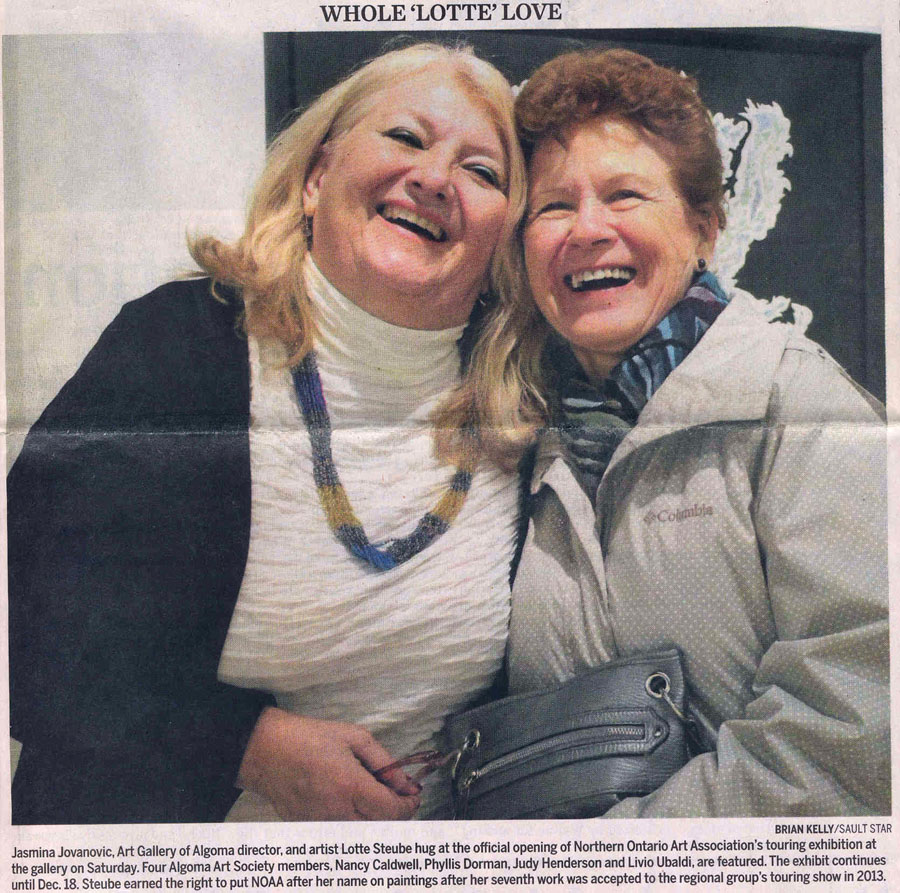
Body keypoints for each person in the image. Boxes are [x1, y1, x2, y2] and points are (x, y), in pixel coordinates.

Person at [8, 42, 527, 824]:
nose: (433, 177)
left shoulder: (518, 416)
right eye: (405, 137)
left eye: (481, 171)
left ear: (505, 241)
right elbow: (24, 633)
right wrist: (247, 747)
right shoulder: (178, 346)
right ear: (317, 178)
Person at [479, 48, 888, 816]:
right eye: (555, 206)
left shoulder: (797, 403)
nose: (587, 229)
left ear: (705, 227)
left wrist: (608, 856)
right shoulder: (518, 439)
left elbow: (857, 732)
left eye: (625, 194)